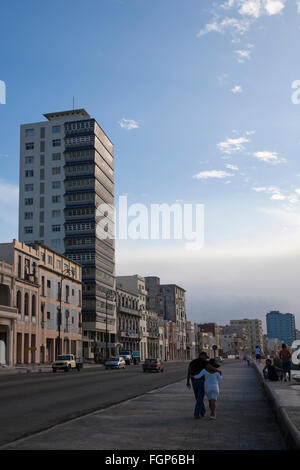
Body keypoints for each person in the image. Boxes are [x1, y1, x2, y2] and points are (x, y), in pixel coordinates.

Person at [186, 352, 222, 419]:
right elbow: (210, 367)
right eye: (205, 357)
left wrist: (188, 381)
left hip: (194, 381)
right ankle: (196, 413)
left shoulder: (192, 362)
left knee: (198, 398)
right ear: (203, 356)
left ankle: (202, 412)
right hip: (201, 381)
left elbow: (189, 372)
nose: (206, 359)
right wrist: (218, 371)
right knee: (200, 398)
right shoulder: (204, 362)